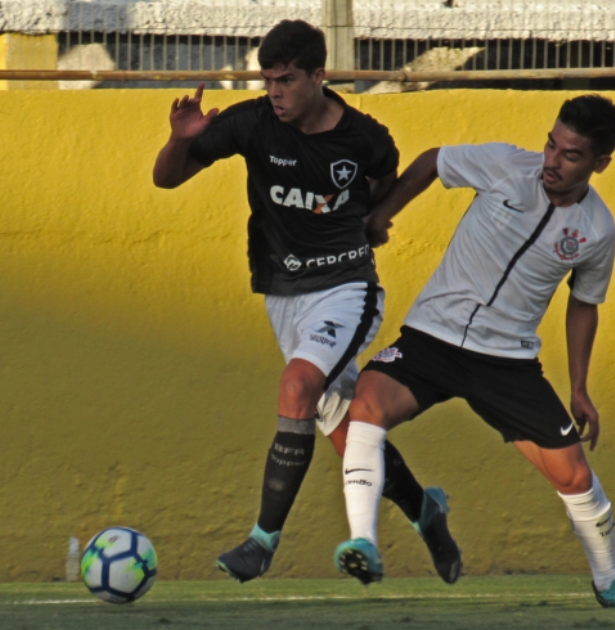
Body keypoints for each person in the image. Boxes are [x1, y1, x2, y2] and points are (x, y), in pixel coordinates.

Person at [152, 20, 461, 584]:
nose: (275, 92)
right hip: (282, 297)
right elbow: (165, 181)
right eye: (268, 80)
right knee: (349, 437)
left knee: (296, 388)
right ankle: (426, 512)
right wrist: (180, 139)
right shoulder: (250, 122)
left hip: (347, 289)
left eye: (287, 80)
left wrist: (373, 222)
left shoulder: (365, 139)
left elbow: (381, 185)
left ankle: (262, 542)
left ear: (320, 76)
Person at [333, 95, 615, 610]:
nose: (552, 160)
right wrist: (382, 215)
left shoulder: (598, 230)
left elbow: (584, 305)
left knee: (575, 476)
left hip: (506, 363)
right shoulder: (505, 166)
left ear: (600, 164)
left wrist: (579, 387)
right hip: (431, 339)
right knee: (365, 409)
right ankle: (363, 542)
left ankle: (610, 582)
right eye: (552, 144)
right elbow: (431, 162)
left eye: (571, 155)